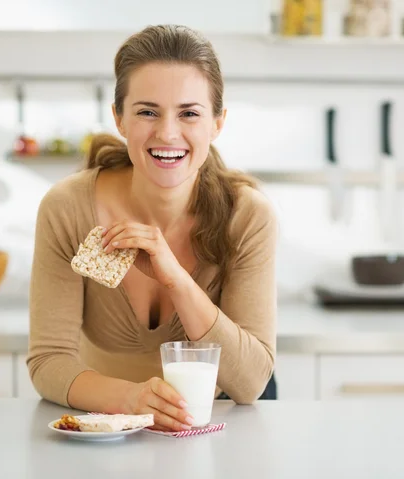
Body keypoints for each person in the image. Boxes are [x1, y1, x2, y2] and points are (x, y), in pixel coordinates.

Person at [27, 24, 278, 432]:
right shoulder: (67, 209)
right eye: (147, 111)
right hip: (107, 431)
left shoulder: (247, 216)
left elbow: (250, 383)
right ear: (119, 119)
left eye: (189, 113)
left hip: (222, 429)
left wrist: (177, 279)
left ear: (217, 123)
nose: (167, 133)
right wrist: (131, 400)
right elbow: (48, 361)